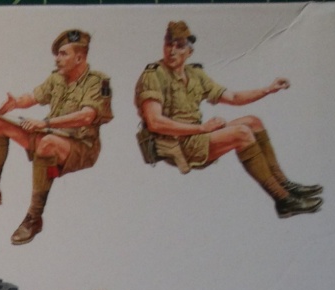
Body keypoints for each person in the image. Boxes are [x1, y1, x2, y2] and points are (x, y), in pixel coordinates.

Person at [134, 20, 321, 218]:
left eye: (179, 46)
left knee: (253, 122)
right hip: (174, 145)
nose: (172, 51)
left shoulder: (195, 74)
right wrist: (202, 129)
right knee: (242, 133)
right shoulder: (154, 75)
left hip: (194, 137)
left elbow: (233, 97)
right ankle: (283, 200)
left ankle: (284, 184)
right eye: (168, 44)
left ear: (189, 51)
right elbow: (155, 122)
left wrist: (268, 89)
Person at [0, 29, 112, 245]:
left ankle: (34, 217)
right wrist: (16, 103)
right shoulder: (57, 78)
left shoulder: (97, 82)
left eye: (63, 54)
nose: (57, 59)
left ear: (79, 58)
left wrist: (46, 124)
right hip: (51, 135)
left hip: (81, 147)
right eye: (57, 54)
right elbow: (34, 96)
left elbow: (87, 116)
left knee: (47, 144)